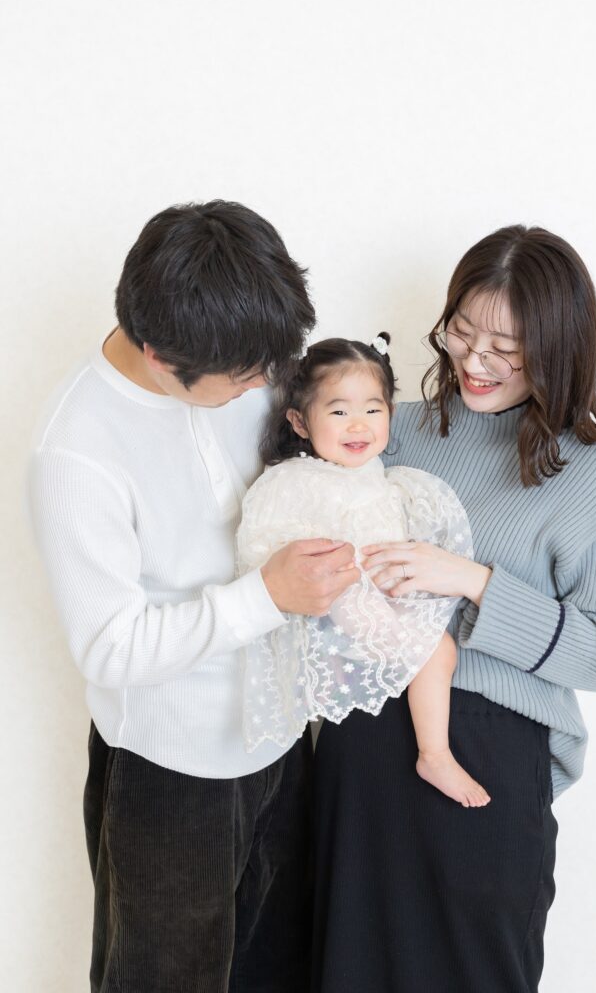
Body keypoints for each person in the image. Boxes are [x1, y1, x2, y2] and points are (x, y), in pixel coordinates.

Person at [28, 200, 361, 993]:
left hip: (280, 734)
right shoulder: (75, 454)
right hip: (169, 773)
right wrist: (266, 597)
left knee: (277, 970)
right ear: (158, 356)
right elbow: (110, 647)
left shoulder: (241, 357)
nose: (263, 386)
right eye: (243, 378)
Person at [312, 225, 596, 993]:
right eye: (461, 332)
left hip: (483, 757)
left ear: (560, 347)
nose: (473, 360)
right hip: (359, 743)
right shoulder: (390, 428)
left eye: (505, 347)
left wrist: (473, 581)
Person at [236, 334, 490, 808]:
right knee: (438, 650)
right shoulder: (298, 481)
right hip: (341, 598)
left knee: (440, 648)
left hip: (377, 595)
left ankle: (431, 748)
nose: (358, 425)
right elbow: (281, 551)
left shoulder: (379, 475)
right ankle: (434, 754)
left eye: (373, 409)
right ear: (300, 421)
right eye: (338, 412)